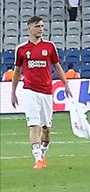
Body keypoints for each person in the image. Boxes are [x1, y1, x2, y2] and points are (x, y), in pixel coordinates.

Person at [10, 16, 71, 169]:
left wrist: (65, 83)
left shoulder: (49, 46)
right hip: (30, 91)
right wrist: (13, 91)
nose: (40, 29)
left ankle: (43, 151)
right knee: (34, 124)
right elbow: (17, 71)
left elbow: (57, 66)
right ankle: (37, 157)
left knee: (46, 129)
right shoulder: (21, 49)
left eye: (42, 26)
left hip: (47, 91)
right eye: (37, 26)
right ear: (29, 28)